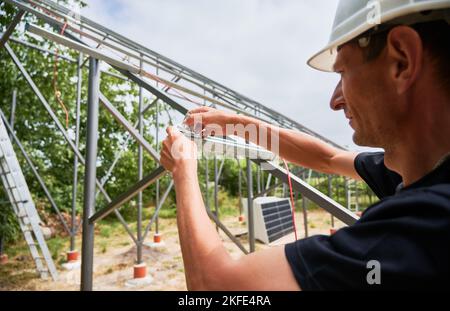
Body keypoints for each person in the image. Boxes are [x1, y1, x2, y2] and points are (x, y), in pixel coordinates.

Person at [160, 0, 450, 290]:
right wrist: (232, 123)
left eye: (343, 72)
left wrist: (183, 170)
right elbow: (327, 158)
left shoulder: (426, 224)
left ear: (402, 61)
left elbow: (216, 288)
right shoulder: (420, 171)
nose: (335, 101)